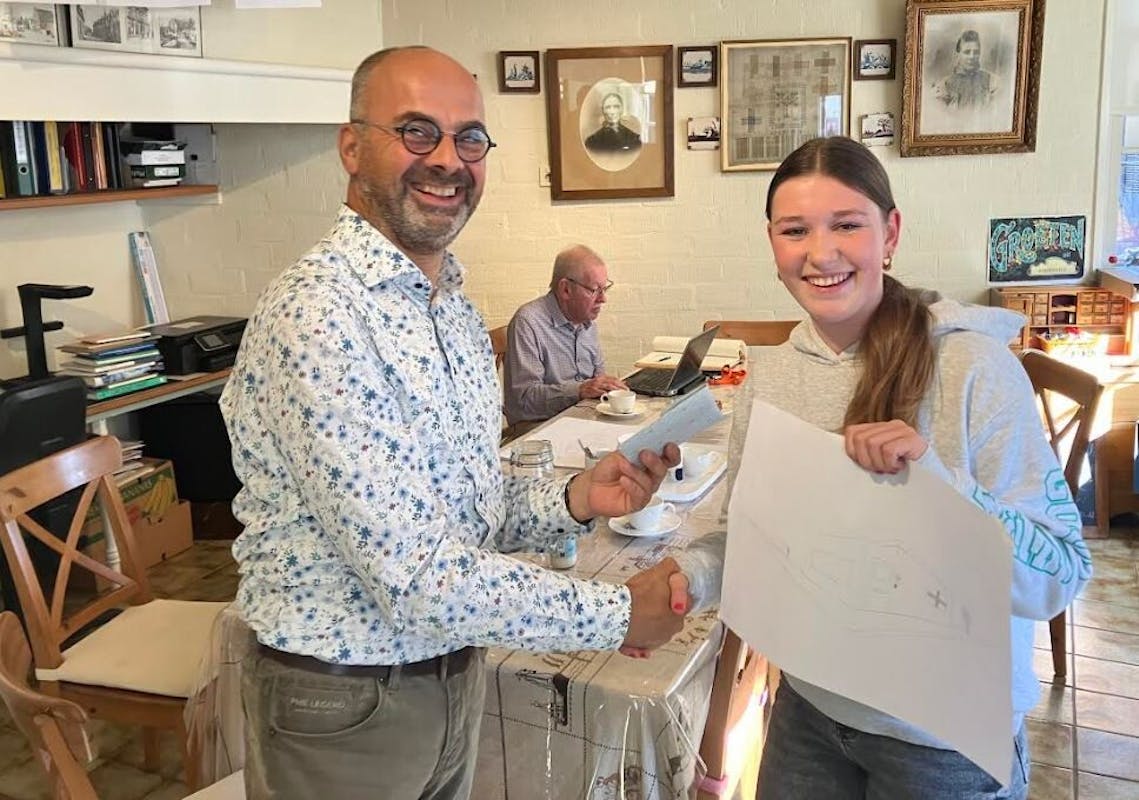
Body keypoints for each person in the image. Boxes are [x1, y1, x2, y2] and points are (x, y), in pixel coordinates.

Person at [219, 46, 683, 800]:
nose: (447, 160)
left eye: (469, 139)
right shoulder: (318, 316)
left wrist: (573, 499)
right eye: (416, 131)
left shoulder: (453, 309)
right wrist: (619, 614)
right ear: (351, 147)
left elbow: (461, 504)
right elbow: (416, 576)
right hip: (346, 700)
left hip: (452, 670)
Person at [667, 136, 1092, 798]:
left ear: (889, 233)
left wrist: (939, 488)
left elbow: (1059, 576)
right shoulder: (770, 376)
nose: (820, 253)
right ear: (771, 243)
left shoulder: (973, 369)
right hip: (810, 708)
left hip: (946, 740)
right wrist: (685, 578)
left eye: (846, 225)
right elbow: (747, 536)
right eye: (795, 230)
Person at [503, 244, 628, 426]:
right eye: (594, 290)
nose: (603, 299)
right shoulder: (528, 322)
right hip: (539, 426)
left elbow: (597, 382)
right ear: (566, 289)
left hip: (582, 417)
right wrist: (579, 391)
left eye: (605, 289)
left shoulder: (586, 322)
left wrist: (609, 388)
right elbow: (523, 400)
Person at [933, 29, 996, 109]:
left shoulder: (990, 81)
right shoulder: (945, 85)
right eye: (967, 52)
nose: (972, 56)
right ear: (958, 54)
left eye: (976, 52)